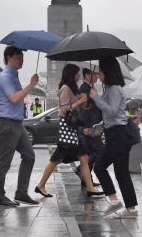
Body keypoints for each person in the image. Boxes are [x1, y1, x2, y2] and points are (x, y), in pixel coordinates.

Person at [35, 64, 103, 198]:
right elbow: (65, 110)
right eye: (77, 74)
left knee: (84, 158)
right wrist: (79, 102)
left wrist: (80, 100)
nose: (79, 76)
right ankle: (41, 185)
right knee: (57, 159)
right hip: (69, 129)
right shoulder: (65, 88)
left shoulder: (72, 89)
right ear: (71, 75)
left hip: (73, 130)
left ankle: (90, 187)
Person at [91, 56, 138, 219]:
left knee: (120, 171)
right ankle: (114, 201)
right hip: (113, 133)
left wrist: (96, 98)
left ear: (107, 71)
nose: (98, 74)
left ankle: (131, 209)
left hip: (119, 134)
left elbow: (112, 110)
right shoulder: (110, 89)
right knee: (100, 166)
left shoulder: (115, 89)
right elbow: (111, 115)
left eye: (100, 71)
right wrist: (101, 124)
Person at [0, 46, 39, 207]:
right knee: (4, 163)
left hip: (18, 124)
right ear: (9, 57)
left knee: (29, 156)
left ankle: (21, 192)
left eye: (22, 57)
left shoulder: (14, 76)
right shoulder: (6, 77)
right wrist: (31, 85)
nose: (22, 60)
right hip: (7, 124)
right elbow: (14, 98)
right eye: (19, 56)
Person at [78, 68, 104, 187]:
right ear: (87, 76)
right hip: (91, 125)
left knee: (90, 151)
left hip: (95, 123)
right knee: (98, 150)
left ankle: (86, 179)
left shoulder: (91, 89)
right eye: (94, 74)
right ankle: (81, 169)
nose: (97, 76)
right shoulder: (85, 89)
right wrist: (87, 127)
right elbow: (84, 110)